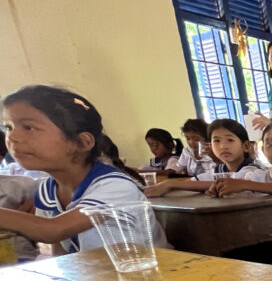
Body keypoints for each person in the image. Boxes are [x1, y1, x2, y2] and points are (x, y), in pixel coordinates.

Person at [0, 85, 169, 254]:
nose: (12, 137)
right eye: (8, 127)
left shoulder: (114, 186)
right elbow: (60, 253)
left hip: (156, 269)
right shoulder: (47, 190)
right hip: (91, 269)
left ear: (82, 142)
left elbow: (54, 230)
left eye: (28, 127)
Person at [144, 120, 271, 197]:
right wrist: (163, 186)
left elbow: (232, 183)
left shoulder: (252, 170)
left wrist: (171, 184)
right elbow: (196, 181)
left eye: (230, 140)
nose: (223, 146)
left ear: (246, 146)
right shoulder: (219, 170)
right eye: (216, 141)